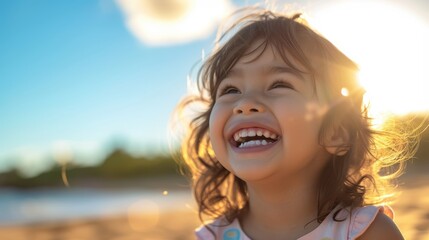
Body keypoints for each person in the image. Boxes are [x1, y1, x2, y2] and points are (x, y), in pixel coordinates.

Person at [174, 7, 417, 240]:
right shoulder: (214, 236)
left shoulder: (366, 233)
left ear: (337, 132)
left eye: (279, 84)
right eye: (230, 89)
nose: (245, 103)